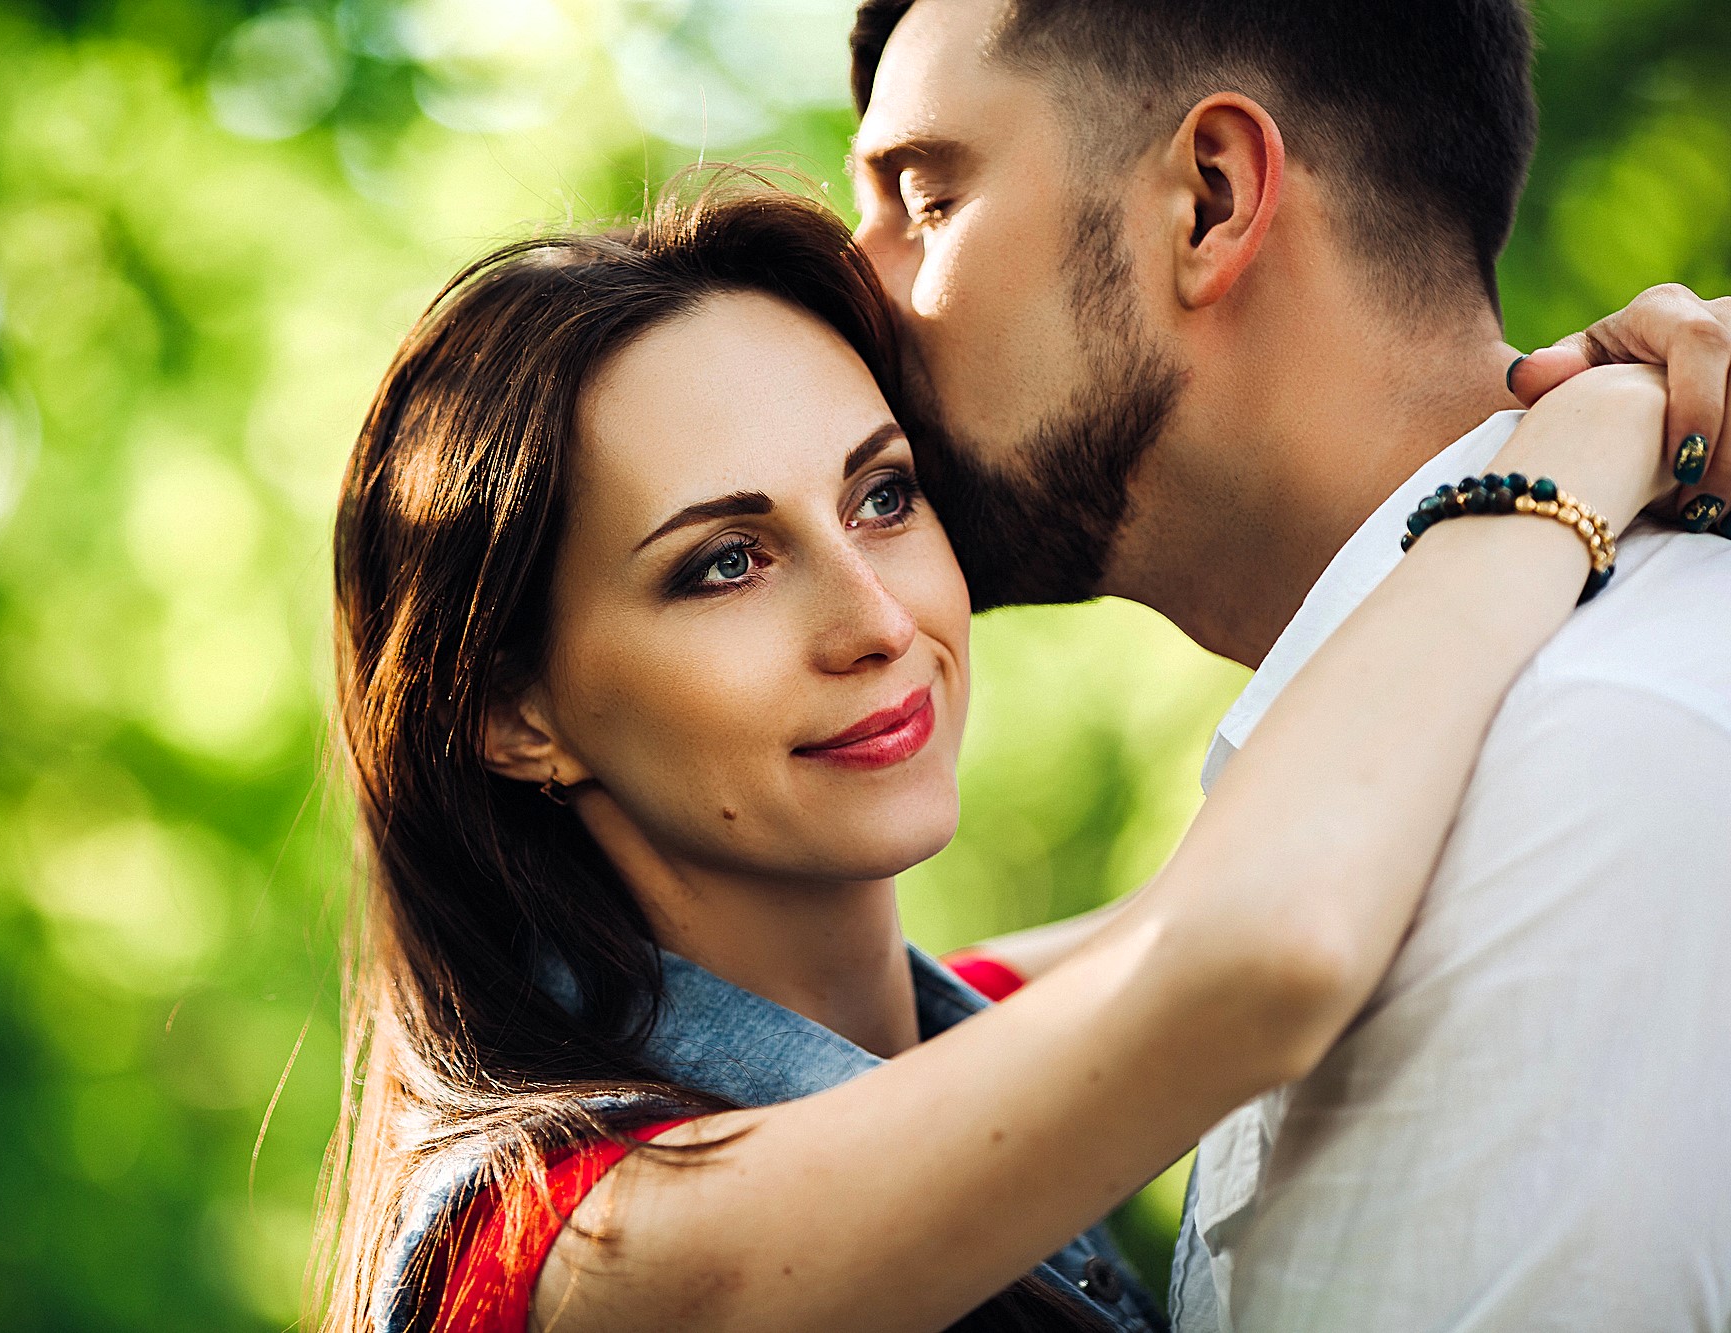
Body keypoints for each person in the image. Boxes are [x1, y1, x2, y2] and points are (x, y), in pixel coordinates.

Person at [308, 176, 1691, 1333]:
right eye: (725, 563)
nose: (875, 618)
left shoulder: (933, 1024)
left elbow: (1252, 876)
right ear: (512, 713)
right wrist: (1569, 454)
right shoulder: (583, 1253)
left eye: (884, 494)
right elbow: (1254, 948)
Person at [845, 1, 1731, 1328]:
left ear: (1210, 199)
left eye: (925, 199)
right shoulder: (1399, 776)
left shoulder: (1589, 768)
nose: (852, 290)